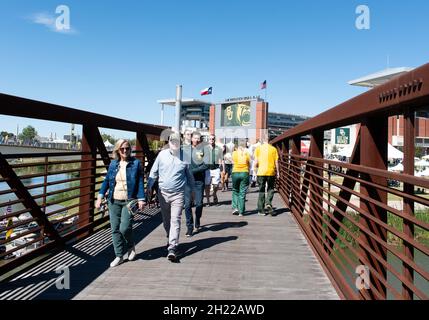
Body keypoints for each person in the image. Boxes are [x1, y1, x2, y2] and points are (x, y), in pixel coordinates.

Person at [96, 139, 146, 267]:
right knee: (115, 229)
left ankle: (130, 245)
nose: (125, 151)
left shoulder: (136, 164)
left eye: (127, 148)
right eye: (122, 148)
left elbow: (140, 182)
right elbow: (107, 181)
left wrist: (141, 198)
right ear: (118, 150)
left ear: (130, 149)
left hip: (129, 201)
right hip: (113, 200)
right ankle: (119, 256)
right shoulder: (113, 164)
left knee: (124, 228)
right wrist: (100, 197)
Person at [147, 132, 195, 261]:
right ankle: (169, 237)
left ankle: (172, 247)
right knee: (166, 220)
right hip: (163, 193)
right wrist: (149, 187)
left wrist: (192, 192)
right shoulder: (162, 155)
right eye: (172, 141)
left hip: (178, 194)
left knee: (176, 220)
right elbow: (153, 172)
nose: (175, 143)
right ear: (169, 142)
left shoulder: (185, 157)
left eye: (177, 141)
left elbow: (190, 176)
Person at [182, 131, 209, 235]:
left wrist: (193, 171)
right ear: (191, 138)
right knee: (187, 205)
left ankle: (197, 220)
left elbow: (206, 165)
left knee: (199, 204)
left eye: (198, 138)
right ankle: (189, 226)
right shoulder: (184, 149)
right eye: (195, 138)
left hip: (199, 181)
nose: (196, 140)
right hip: (187, 181)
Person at [253, 135, 280, 216]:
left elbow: (256, 162)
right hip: (271, 172)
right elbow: (276, 162)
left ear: (263, 140)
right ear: (270, 140)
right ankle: (268, 202)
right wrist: (278, 172)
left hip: (261, 172)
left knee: (261, 190)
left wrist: (254, 171)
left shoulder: (258, 149)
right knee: (270, 188)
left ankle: (261, 210)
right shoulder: (274, 149)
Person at [231, 139, 251, 216]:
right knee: (242, 192)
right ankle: (241, 212)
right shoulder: (247, 153)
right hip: (244, 172)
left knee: (235, 190)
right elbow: (249, 164)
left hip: (235, 172)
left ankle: (235, 208)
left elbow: (232, 162)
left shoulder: (234, 153)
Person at [204, 134, 224, 206]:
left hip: (216, 169)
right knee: (207, 185)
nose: (211, 140)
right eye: (210, 139)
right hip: (207, 169)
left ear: (214, 140)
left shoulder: (218, 148)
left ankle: (214, 194)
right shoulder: (205, 148)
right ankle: (208, 201)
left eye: (213, 139)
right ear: (208, 140)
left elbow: (221, 159)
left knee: (216, 185)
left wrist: (223, 169)